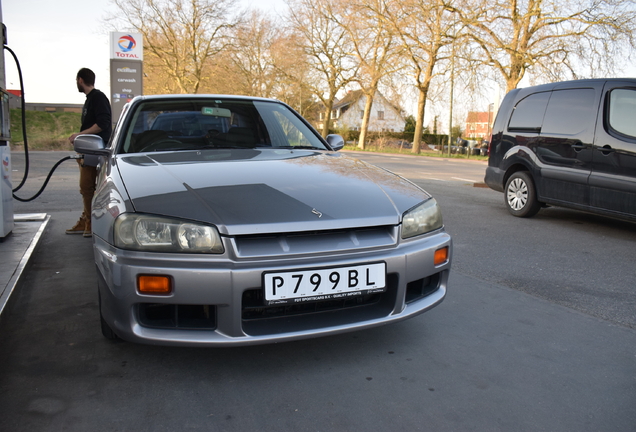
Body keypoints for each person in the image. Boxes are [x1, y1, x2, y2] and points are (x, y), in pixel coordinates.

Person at [66, 68, 112, 237]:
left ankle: (90, 223)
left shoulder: (97, 98)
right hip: (89, 149)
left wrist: (80, 135)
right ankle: (86, 220)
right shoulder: (91, 99)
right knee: (85, 188)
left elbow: (103, 123)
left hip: (95, 150)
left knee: (87, 187)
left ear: (80, 80)